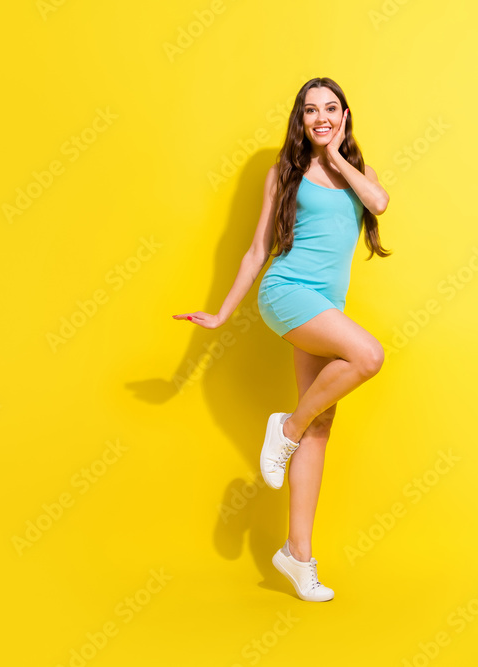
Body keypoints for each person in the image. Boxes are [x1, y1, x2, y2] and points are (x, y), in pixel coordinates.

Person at [172, 77, 391, 601]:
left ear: (343, 115)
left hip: (325, 307)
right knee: (368, 356)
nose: (321, 117)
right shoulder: (284, 174)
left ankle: (297, 556)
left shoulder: (357, 174)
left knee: (321, 426)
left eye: (330, 108)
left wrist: (338, 159)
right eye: (310, 109)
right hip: (288, 291)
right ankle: (285, 428)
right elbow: (255, 251)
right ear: (300, 118)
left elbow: (379, 204)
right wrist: (223, 314)